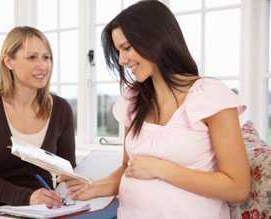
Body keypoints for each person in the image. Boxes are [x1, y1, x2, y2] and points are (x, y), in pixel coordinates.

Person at [58, 1, 250, 219]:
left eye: (127, 48)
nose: (121, 60)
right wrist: (95, 187)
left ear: (155, 39)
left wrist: (162, 169)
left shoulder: (210, 96)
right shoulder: (133, 100)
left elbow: (238, 187)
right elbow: (128, 169)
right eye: (118, 51)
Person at [0, 26, 76, 218]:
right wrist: (28, 197)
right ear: (9, 61)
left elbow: (66, 169)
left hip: (43, 210)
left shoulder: (61, 109)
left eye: (46, 57)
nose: (43, 65)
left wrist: (69, 186)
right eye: (32, 57)